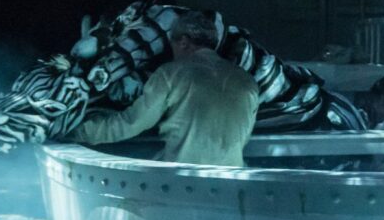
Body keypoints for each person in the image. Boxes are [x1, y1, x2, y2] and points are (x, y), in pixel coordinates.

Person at [69, 11, 259, 166]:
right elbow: (241, 137)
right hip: (234, 182)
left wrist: (74, 130)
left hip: (184, 185)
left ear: (183, 41)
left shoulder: (170, 74)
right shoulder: (247, 81)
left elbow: (129, 124)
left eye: (171, 45)